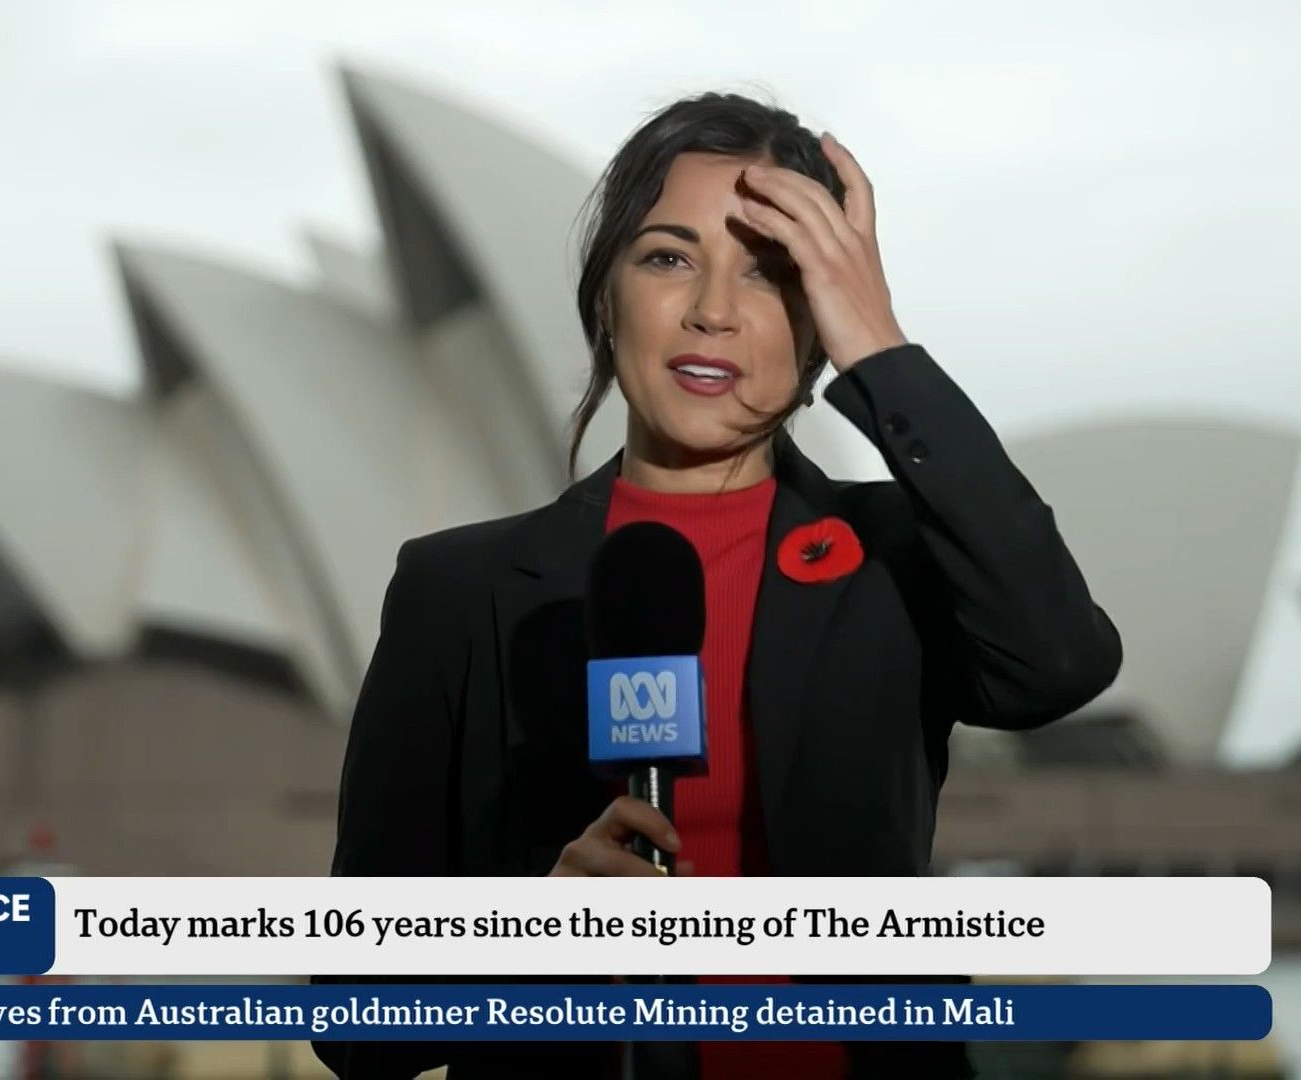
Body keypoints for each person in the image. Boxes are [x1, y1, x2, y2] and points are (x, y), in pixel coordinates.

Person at [315, 91, 1122, 1079]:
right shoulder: (456, 591)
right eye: (668, 258)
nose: (712, 311)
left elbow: (1059, 663)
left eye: (771, 272)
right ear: (606, 295)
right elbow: (354, 1023)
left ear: (820, 322)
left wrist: (883, 349)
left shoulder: (896, 559)